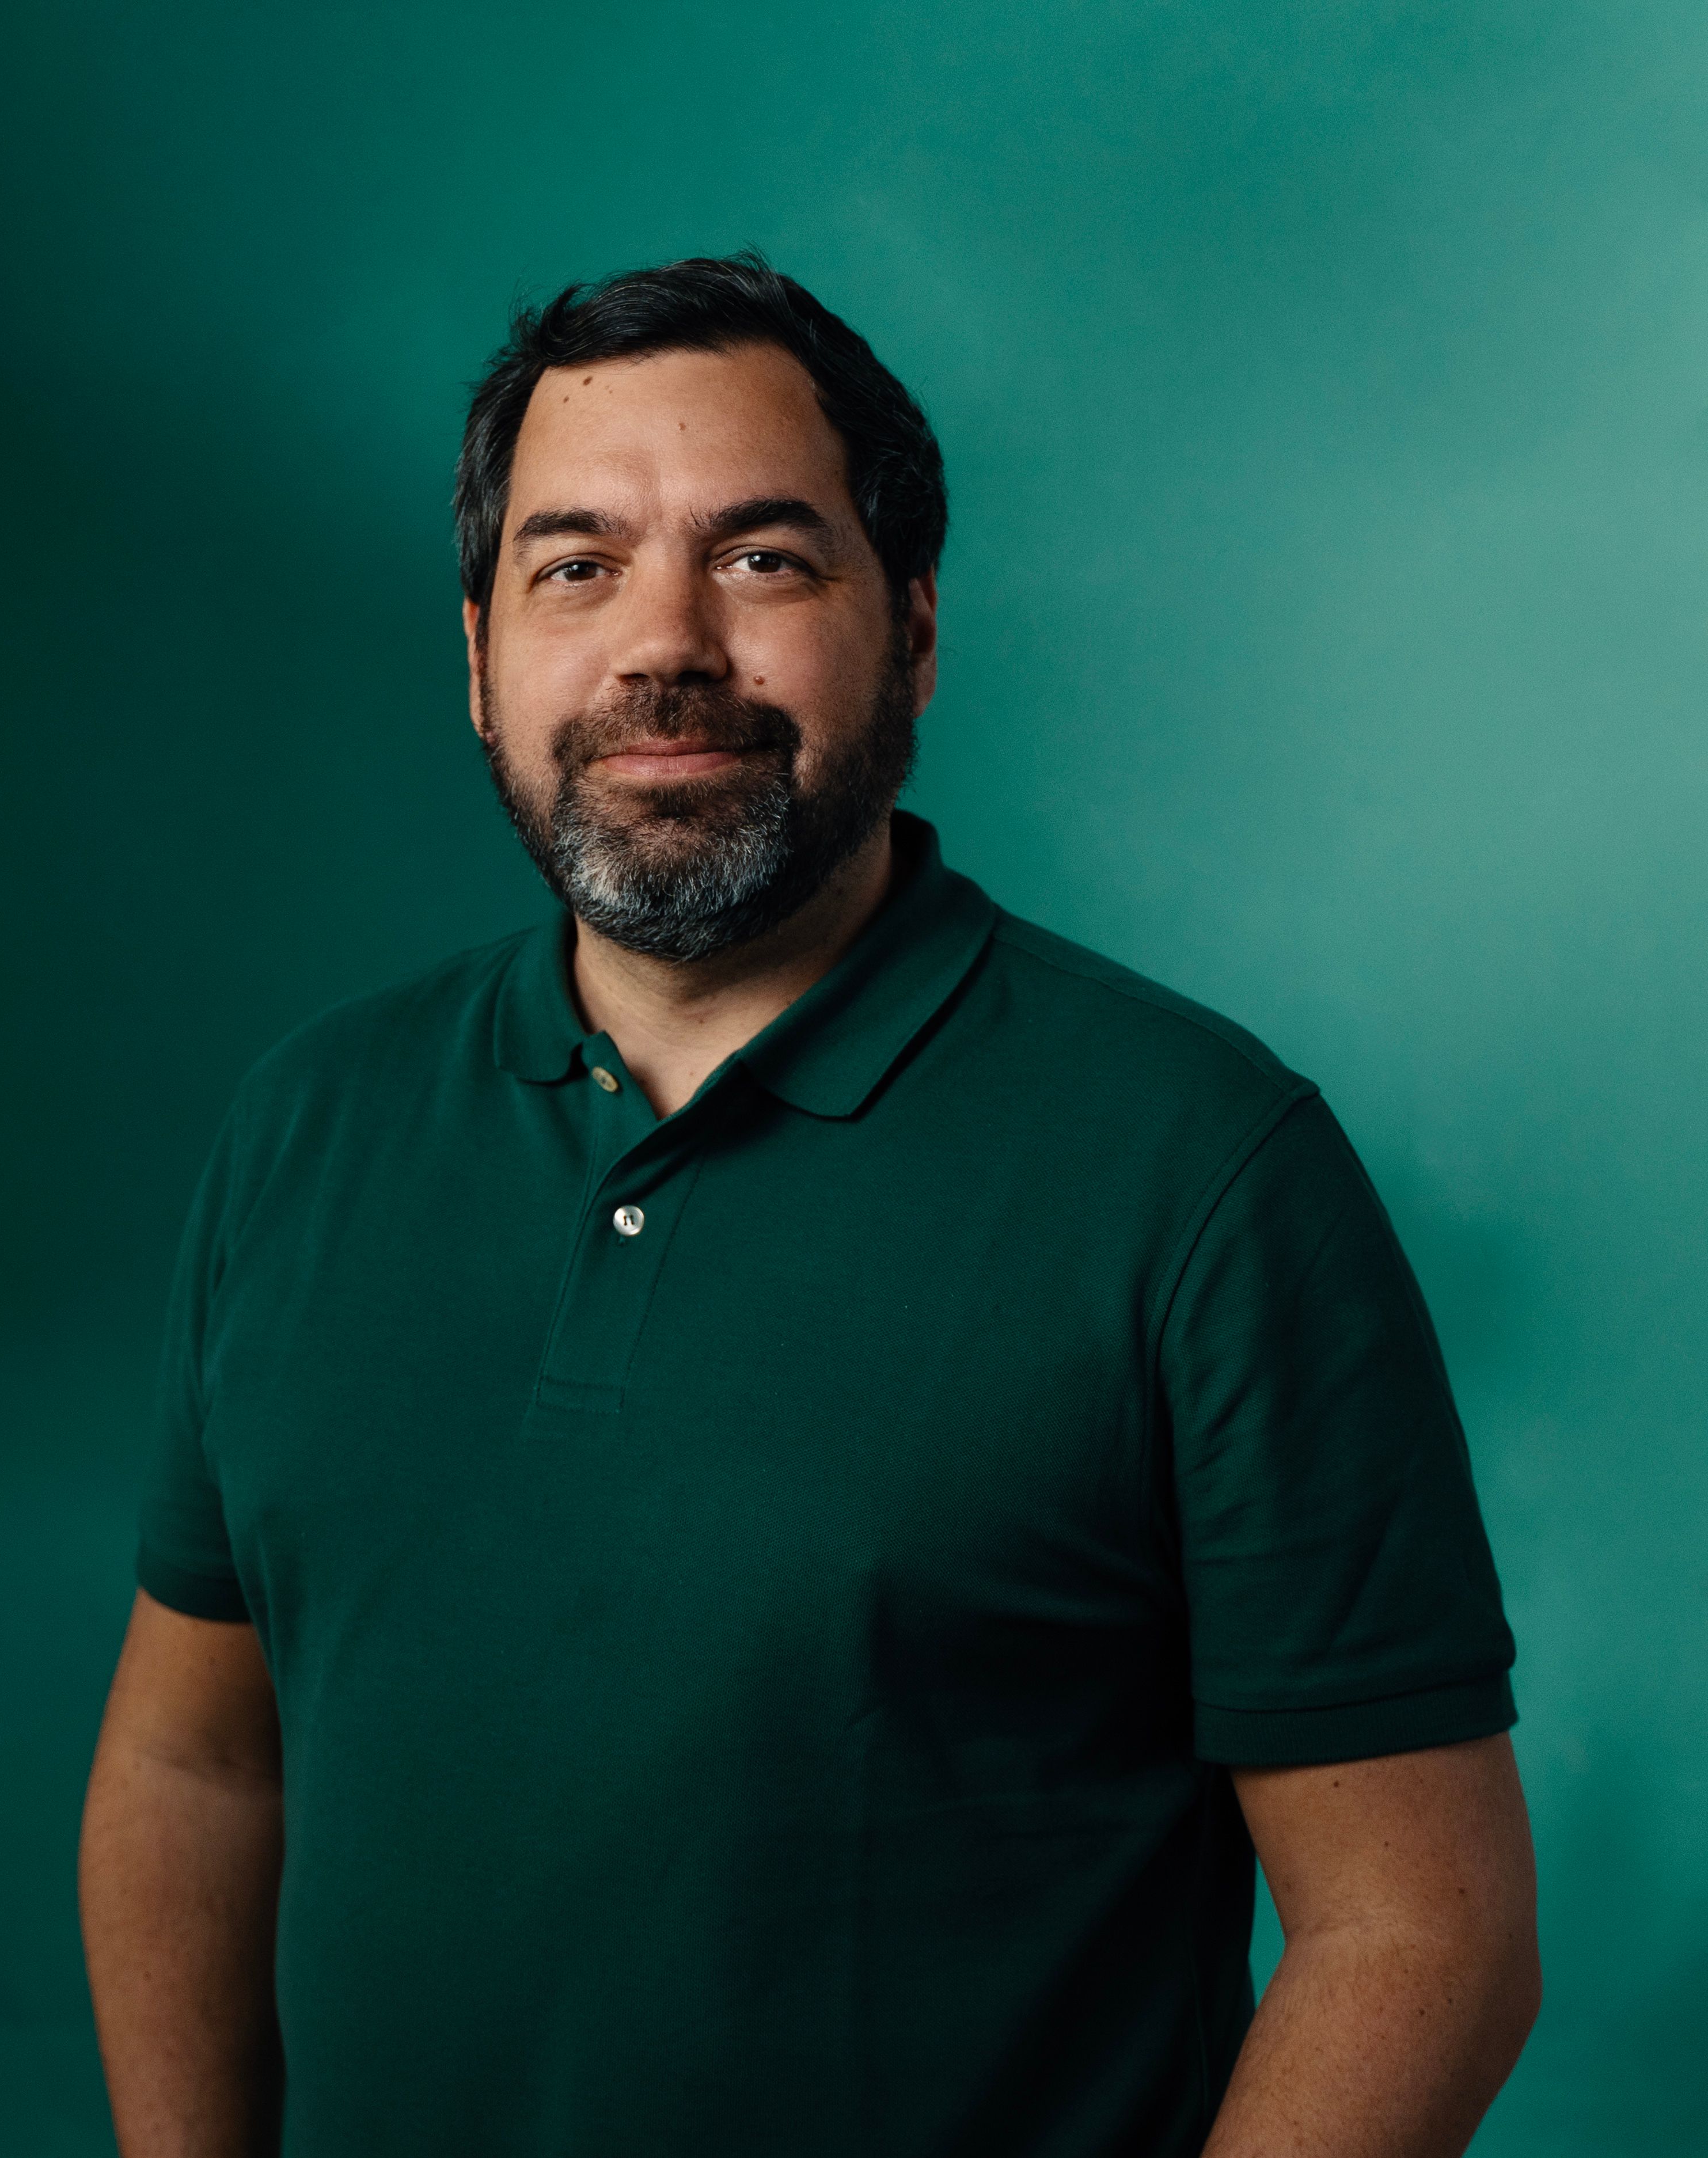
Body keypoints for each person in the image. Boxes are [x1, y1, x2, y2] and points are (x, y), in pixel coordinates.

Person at [78, 254, 1539, 2158]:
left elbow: (1421, 1926)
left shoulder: (1200, 1171)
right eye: (575, 564)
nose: (662, 642)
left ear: (913, 630)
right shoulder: (308, 1130)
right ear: (477, 657)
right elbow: (195, 1762)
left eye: (762, 558)